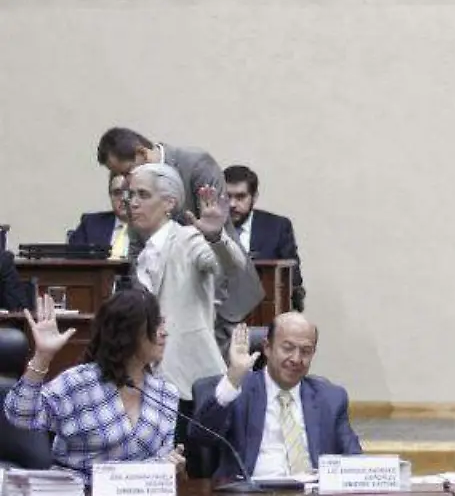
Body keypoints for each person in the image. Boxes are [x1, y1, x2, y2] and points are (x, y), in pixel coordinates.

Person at [97, 127, 264, 353]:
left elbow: (218, 242)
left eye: (126, 172)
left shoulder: (197, 165)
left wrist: (208, 311)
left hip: (220, 299)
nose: (125, 182)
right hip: (169, 308)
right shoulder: (135, 191)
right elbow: (137, 250)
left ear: (142, 153)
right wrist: (143, 311)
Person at [3, 291, 184, 481]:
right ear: (128, 332)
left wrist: (168, 464)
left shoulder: (166, 394)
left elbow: (159, 460)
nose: (164, 332)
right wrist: (43, 356)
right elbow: (21, 416)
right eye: (155, 325)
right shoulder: (79, 383)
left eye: (163, 323)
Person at [126, 162, 247, 443]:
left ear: (169, 203)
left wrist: (215, 236)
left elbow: (231, 265)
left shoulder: (188, 237)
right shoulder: (143, 254)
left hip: (189, 380)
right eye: (131, 195)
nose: (133, 203)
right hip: (151, 380)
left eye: (143, 195)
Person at [190, 314, 361, 480]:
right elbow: (201, 437)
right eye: (288, 348)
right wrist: (234, 377)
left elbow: (353, 458)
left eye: (306, 351)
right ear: (267, 348)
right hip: (252, 491)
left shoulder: (330, 398)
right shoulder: (238, 390)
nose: (296, 359)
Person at [224, 165, 304, 310]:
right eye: (227, 196)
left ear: (254, 197)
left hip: (265, 310)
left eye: (240, 197)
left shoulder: (277, 227)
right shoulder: (207, 227)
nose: (232, 204)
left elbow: (293, 278)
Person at [67, 173, 131, 259]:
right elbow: (72, 260)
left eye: (129, 192)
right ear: (110, 196)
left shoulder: (148, 227)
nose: (123, 198)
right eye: (117, 193)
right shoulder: (90, 224)